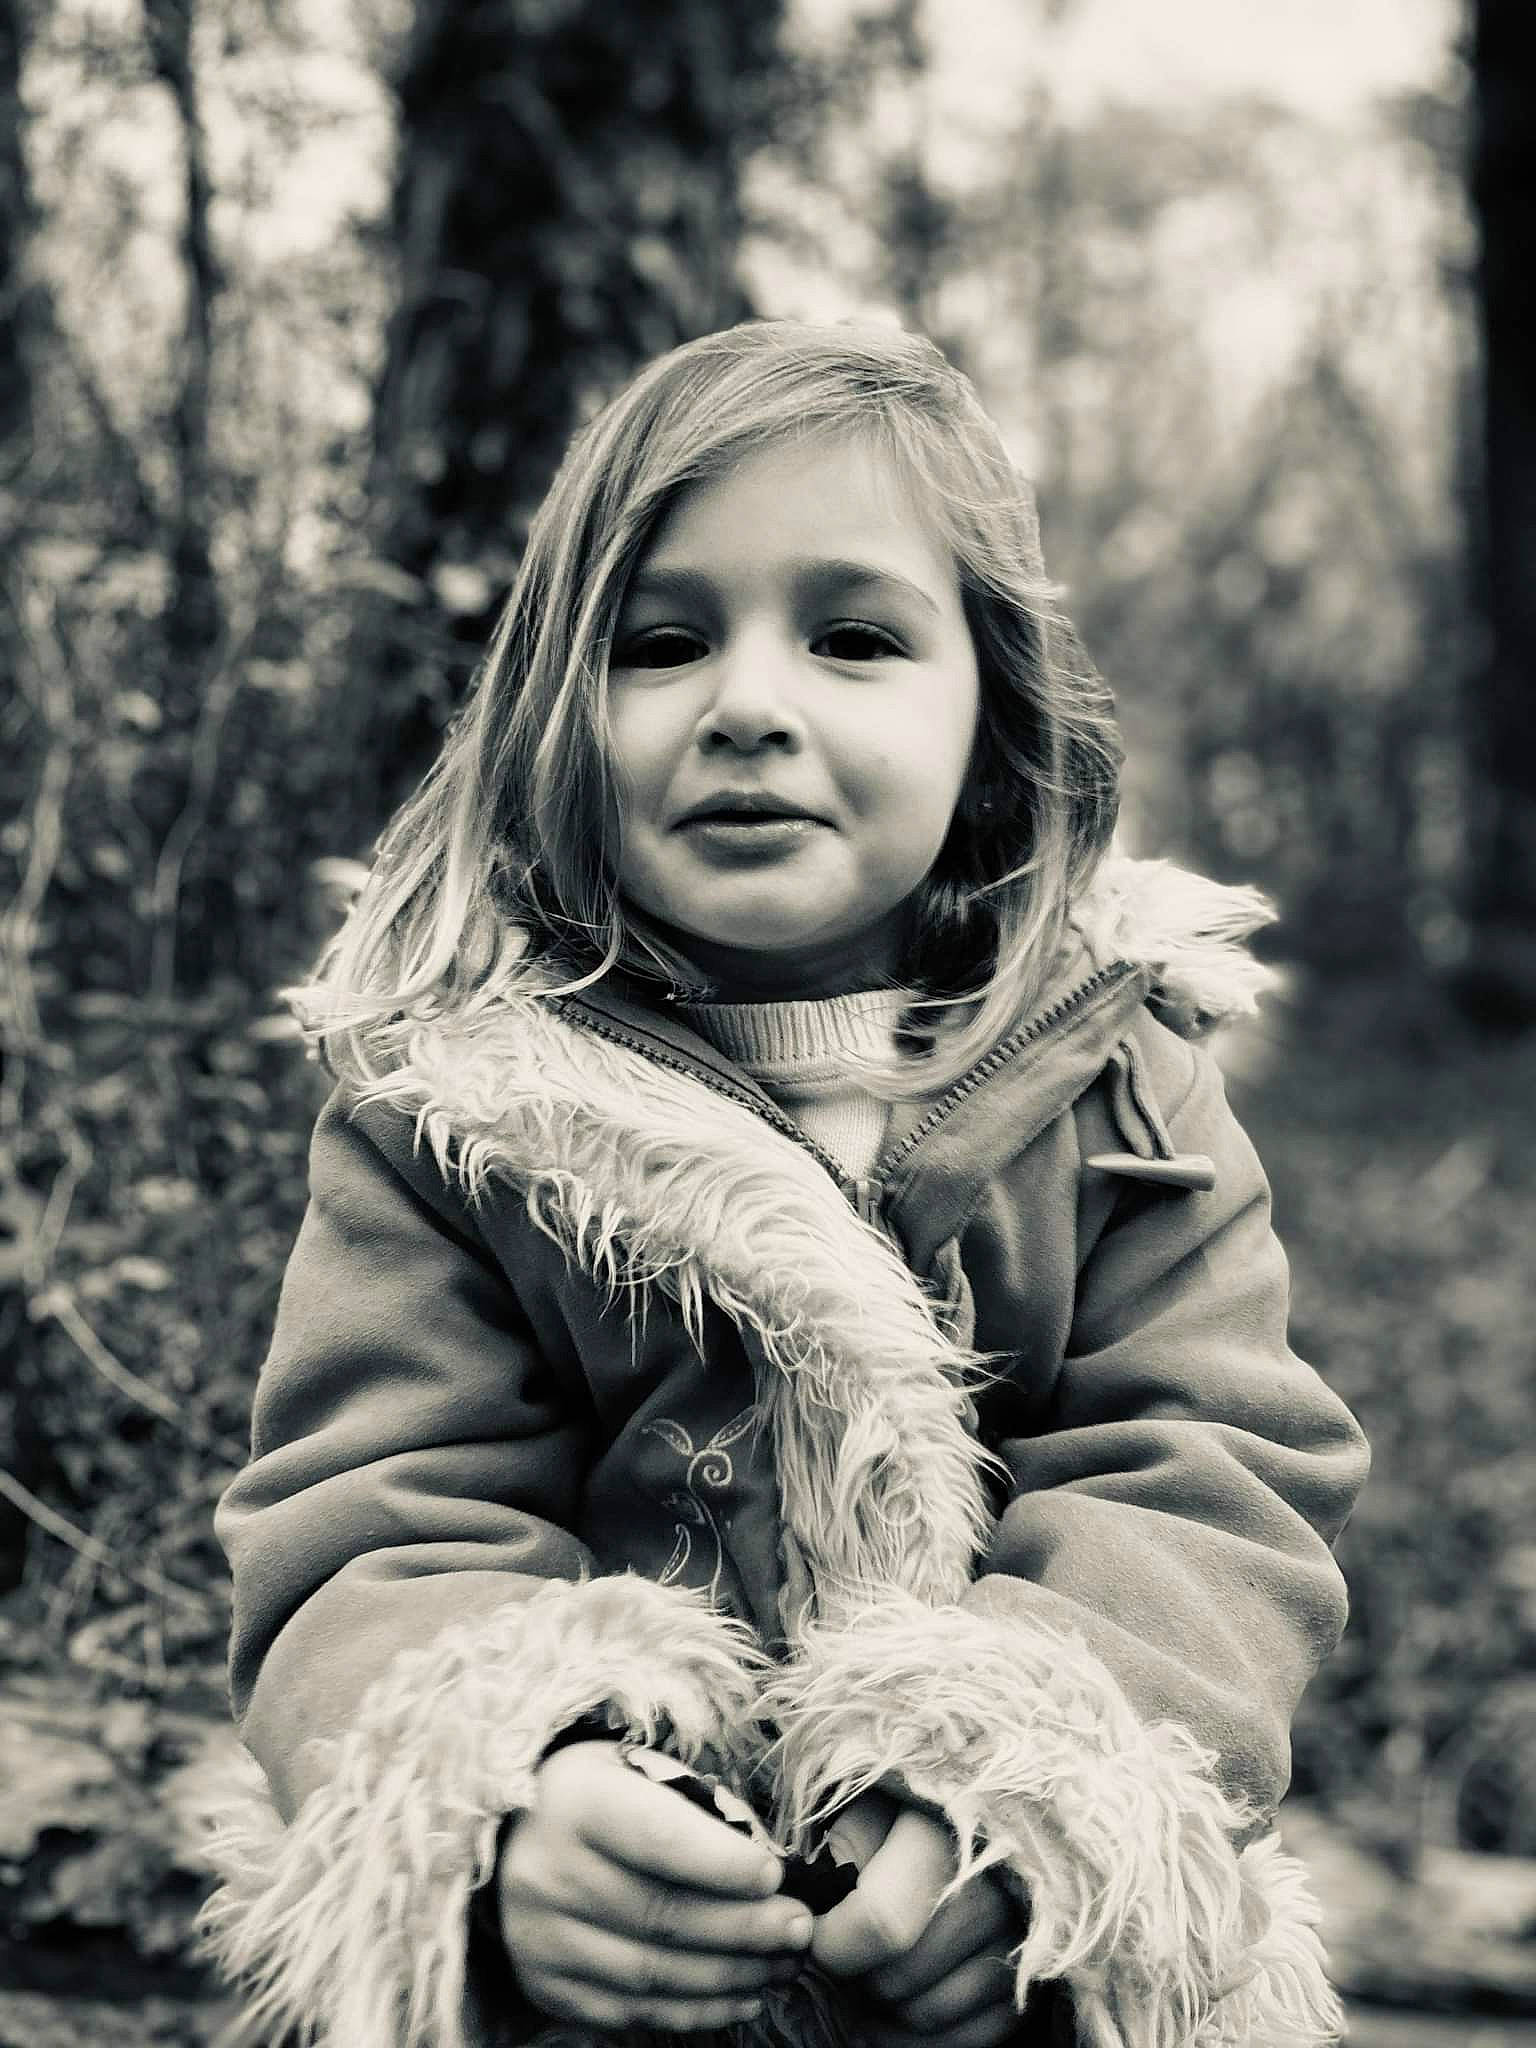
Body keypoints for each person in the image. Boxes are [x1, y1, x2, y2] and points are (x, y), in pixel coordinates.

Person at [199, 319, 1369, 2048]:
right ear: (555, 711)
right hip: (605, 1975)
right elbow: (374, 1513)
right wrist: (514, 1804)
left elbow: (1206, 1479)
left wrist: (1025, 1806)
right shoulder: (454, 1113)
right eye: (663, 643)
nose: (751, 706)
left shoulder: (1122, 1086)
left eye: (853, 636)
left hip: (999, 1973)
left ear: (994, 718)